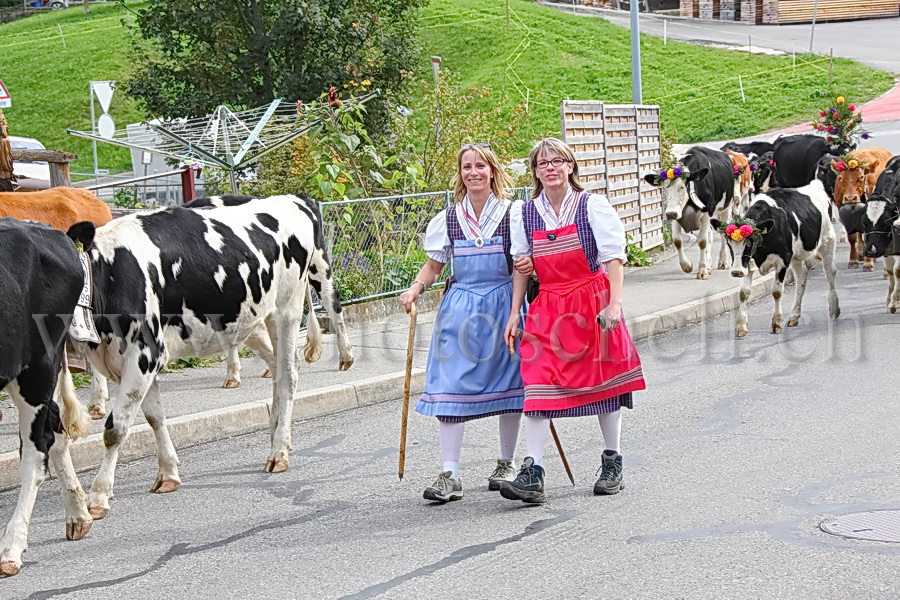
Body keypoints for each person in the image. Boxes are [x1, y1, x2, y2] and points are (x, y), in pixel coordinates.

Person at [501, 137, 646, 504]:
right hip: (548, 306)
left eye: (557, 161)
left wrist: (614, 305)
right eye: (541, 163)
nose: (549, 168)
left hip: (591, 301)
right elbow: (522, 267)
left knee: (606, 382)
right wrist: (515, 312)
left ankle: (612, 460)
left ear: (570, 166)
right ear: (535, 172)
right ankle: (532, 471)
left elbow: (613, 259)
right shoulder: (524, 213)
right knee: (536, 384)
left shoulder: (591, 205)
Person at [400, 143, 532, 503]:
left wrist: (516, 311)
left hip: (504, 304)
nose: (473, 172)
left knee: (511, 385)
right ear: (460, 174)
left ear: (492, 171)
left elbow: (522, 263)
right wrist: (415, 289)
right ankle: (450, 473)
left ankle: (506, 463)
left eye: (480, 166)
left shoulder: (512, 214)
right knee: (449, 383)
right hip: (460, 309)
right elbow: (434, 265)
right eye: (466, 167)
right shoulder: (448, 218)